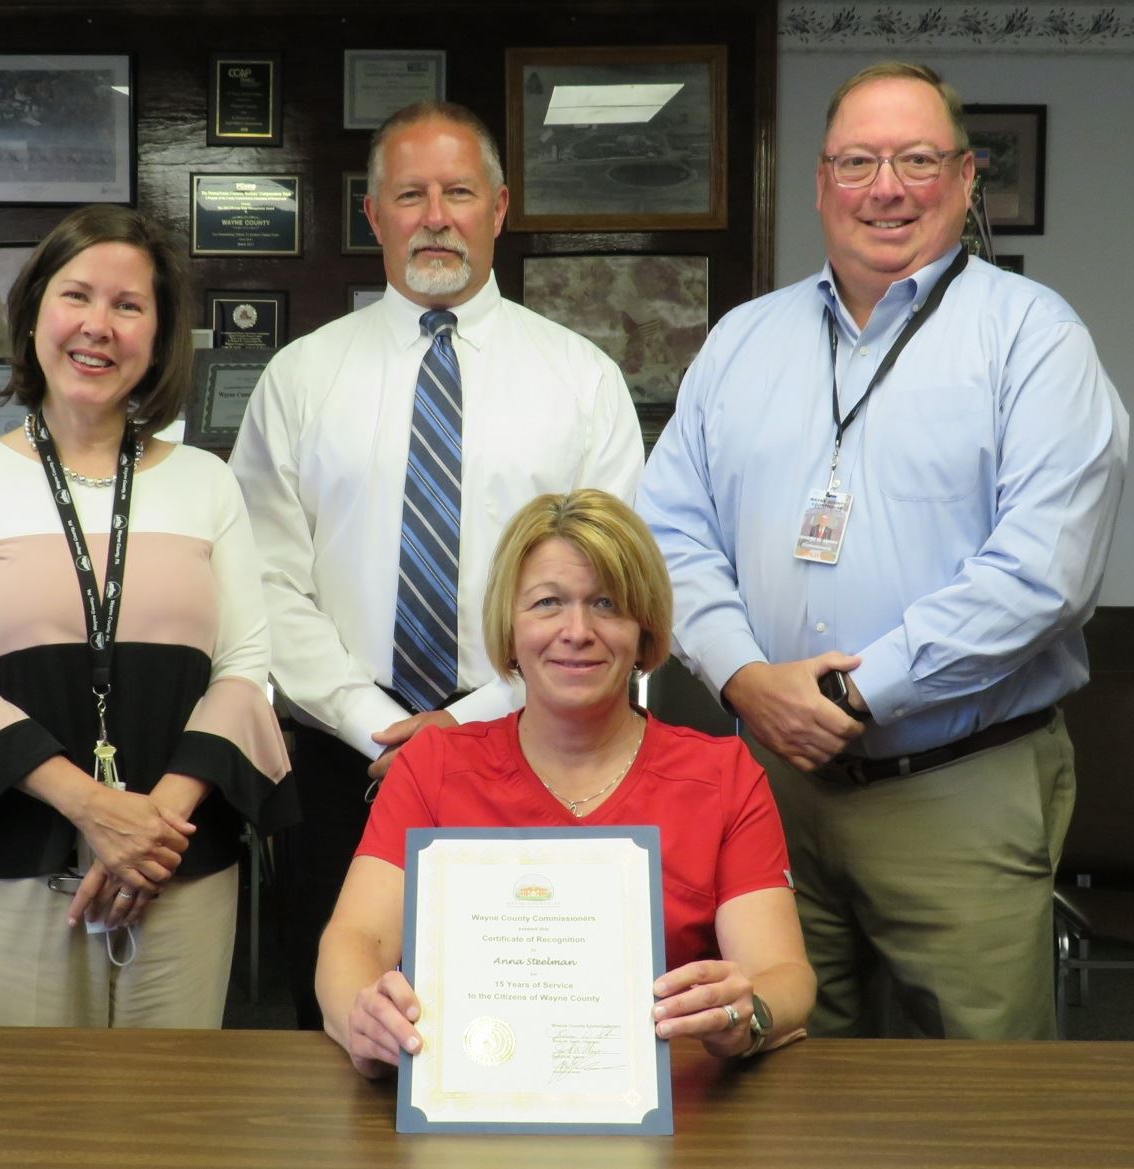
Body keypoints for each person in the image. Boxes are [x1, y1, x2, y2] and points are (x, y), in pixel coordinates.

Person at [637, 62, 1128, 1039]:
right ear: (821, 181)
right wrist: (743, 676)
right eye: (858, 161)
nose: (886, 187)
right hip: (769, 786)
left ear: (966, 176)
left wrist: (851, 696)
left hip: (957, 783)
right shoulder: (743, 342)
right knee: (772, 1067)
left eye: (915, 159)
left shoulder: (1034, 339)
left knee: (980, 1093)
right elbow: (667, 532)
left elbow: (1045, 571)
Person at [230, 101, 645, 1027]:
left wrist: (469, 720)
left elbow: (614, 587)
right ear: (371, 215)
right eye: (408, 194)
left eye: (458, 192)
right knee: (344, 1022)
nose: (435, 214)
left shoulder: (580, 380)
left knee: (535, 1014)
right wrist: (376, 723)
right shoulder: (299, 379)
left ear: (498, 208)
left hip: (540, 742)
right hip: (345, 760)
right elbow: (261, 581)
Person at [0, 204, 296, 1028]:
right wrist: (94, 808)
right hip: (8, 856)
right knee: (22, 1120)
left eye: (129, 305)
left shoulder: (206, 482)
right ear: (36, 310)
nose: (98, 326)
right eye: (77, 295)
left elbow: (245, 667)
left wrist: (152, 825)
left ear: (158, 336)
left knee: (167, 1121)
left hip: (177, 858)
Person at [316, 489, 815, 1076]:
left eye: (606, 604)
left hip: (677, 1112)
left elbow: (783, 975)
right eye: (548, 603)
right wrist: (363, 1017)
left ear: (644, 630)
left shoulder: (722, 775)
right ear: (509, 629)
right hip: (469, 1096)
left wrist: (746, 1012)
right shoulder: (434, 767)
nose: (577, 630)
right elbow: (354, 942)